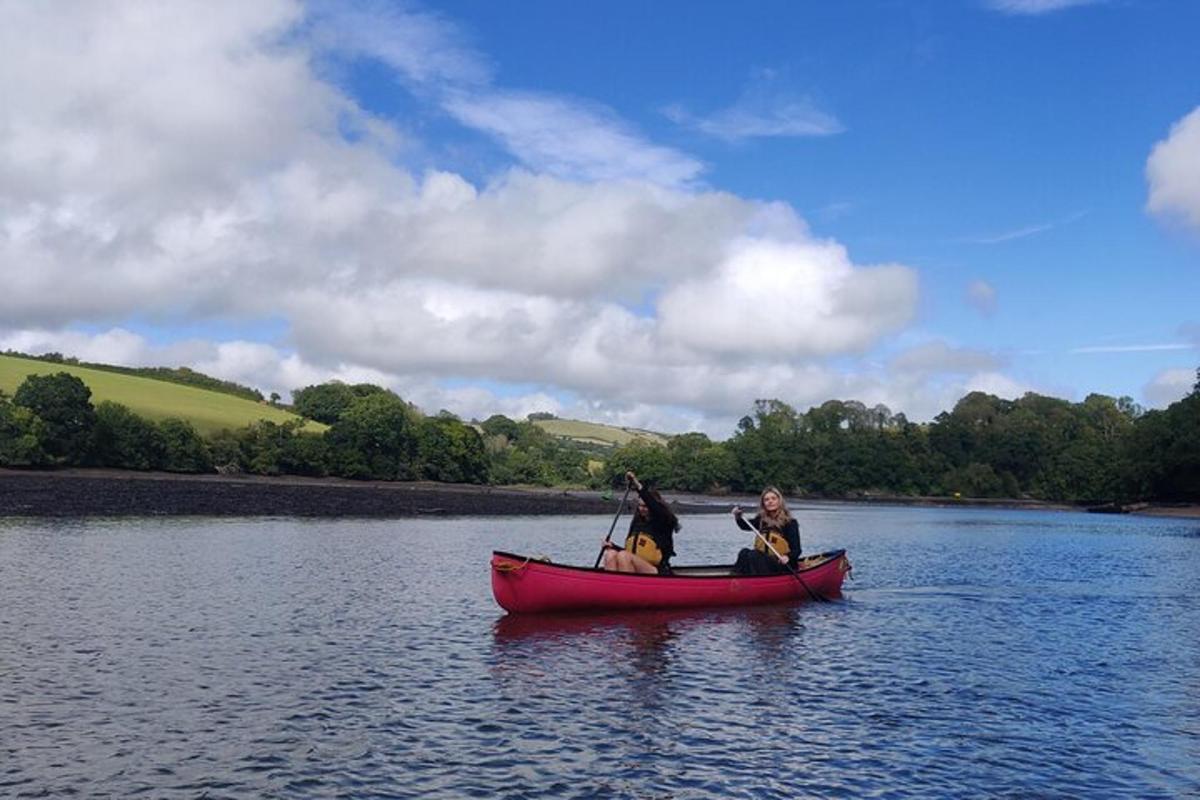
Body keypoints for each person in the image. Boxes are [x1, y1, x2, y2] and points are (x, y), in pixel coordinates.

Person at [601, 470, 680, 574]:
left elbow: (653, 505)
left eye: (645, 506)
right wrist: (612, 546)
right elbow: (631, 550)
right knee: (610, 554)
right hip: (635, 566)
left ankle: (629, 587)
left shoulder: (664, 520)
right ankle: (614, 587)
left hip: (657, 570)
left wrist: (636, 483)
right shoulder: (637, 524)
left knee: (624, 556)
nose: (642, 509)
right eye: (640, 506)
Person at [731, 486, 801, 576]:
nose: (770, 501)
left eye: (773, 498)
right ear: (763, 504)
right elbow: (745, 525)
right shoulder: (761, 520)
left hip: (782, 564)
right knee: (744, 553)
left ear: (779, 501)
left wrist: (788, 557)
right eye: (766, 500)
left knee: (754, 555)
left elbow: (797, 550)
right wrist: (738, 516)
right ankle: (736, 577)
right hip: (763, 562)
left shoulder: (790, 523)